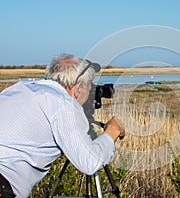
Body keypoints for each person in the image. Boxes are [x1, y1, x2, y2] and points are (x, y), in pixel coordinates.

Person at [0, 54, 125, 197]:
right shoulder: (63, 105)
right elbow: (89, 162)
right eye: (90, 86)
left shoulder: (19, 88)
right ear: (78, 88)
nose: (91, 91)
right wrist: (112, 132)